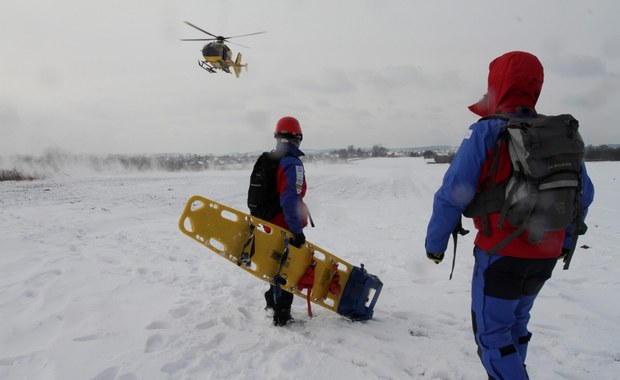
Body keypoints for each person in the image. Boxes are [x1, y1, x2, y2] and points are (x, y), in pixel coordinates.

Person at [424, 51, 595, 379]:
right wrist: (564, 241)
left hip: (500, 255)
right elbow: (583, 195)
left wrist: (435, 245)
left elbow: (452, 194)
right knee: (516, 326)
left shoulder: (486, 132)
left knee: (492, 336)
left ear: (496, 84)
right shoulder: (560, 135)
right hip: (545, 256)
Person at [257, 116, 308, 326]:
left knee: (276, 261)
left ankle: (271, 301)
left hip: (270, 221)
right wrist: (296, 230)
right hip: (285, 223)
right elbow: (290, 199)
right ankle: (282, 314)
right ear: (297, 138)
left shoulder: (272, 159)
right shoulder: (292, 163)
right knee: (288, 266)